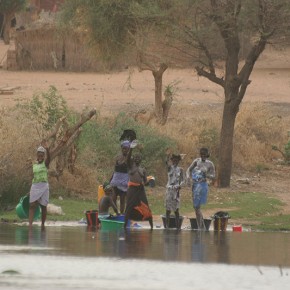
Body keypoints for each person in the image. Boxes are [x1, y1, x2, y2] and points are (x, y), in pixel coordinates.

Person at [124, 141, 153, 229]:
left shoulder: (142, 170)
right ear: (133, 159)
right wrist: (131, 148)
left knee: (145, 206)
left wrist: (150, 181)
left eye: (138, 158)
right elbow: (128, 158)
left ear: (141, 160)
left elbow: (145, 182)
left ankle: (151, 226)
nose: (137, 159)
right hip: (132, 189)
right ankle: (125, 226)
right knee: (129, 207)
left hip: (140, 190)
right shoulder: (130, 166)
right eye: (135, 158)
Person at [186, 147, 215, 230]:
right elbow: (188, 170)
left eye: (204, 155)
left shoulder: (210, 164)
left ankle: (201, 227)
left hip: (202, 186)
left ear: (207, 155)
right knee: (195, 207)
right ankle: (201, 227)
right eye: (201, 154)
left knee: (197, 207)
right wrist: (188, 178)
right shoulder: (196, 161)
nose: (202, 156)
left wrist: (207, 175)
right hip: (195, 185)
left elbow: (213, 176)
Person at [29, 142, 50, 231]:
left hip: (44, 185)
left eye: (42, 155)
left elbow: (49, 158)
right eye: (39, 154)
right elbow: (32, 176)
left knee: (43, 206)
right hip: (35, 185)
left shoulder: (45, 164)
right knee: (32, 205)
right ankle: (30, 225)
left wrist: (48, 150)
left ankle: (42, 224)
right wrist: (30, 189)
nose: (40, 156)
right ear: (37, 155)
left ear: (44, 156)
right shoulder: (34, 165)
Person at [164, 154, 185, 229]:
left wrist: (180, 186)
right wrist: (167, 156)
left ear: (179, 161)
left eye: (177, 160)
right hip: (169, 189)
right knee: (168, 210)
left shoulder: (181, 170)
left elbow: (183, 180)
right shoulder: (169, 168)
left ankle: (178, 227)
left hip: (176, 190)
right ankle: (166, 226)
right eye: (173, 160)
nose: (175, 161)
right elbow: (166, 163)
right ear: (171, 160)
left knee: (176, 210)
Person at [110, 140, 130, 214]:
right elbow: (115, 169)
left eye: (126, 148)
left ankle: (122, 214)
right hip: (116, 179)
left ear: (129, 149)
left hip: (124, 180)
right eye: (123, 148)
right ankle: (116, 213)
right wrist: (110, 179)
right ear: (121, 148)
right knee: (113, 198)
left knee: (122, 199)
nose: (125, 150)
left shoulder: (130, 158)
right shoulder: (118, 157)